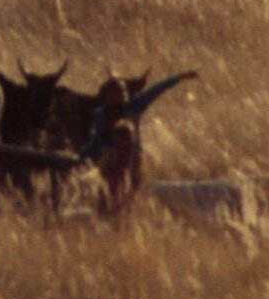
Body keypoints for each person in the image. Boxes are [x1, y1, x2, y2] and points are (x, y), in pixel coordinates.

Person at [77, 70, 200, 212]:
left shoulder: (134, 106)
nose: (115, 96)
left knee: (131, 189)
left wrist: (177, 77)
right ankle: (107, 211)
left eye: (118, 92)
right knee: (107, 188)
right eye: (111, 93)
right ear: (105, 95)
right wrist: (81, 156)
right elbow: (96, 141)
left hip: (131, 155)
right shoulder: (101, 114)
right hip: (109, 157)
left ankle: (127, 211)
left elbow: (155, 91)